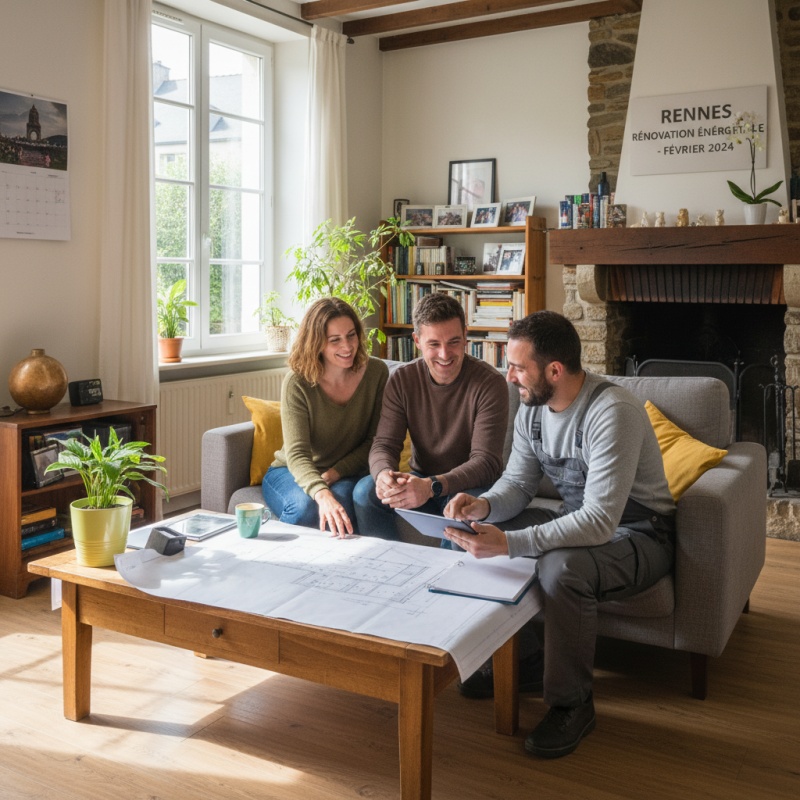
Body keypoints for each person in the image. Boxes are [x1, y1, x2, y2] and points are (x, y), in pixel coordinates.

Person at [443, 310, 676, 759]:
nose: (509, 377)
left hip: (640, 534)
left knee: (561, 567)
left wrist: (507, 543)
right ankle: (525, 660)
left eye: (517, 367)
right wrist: (484, 506)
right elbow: (517, 485)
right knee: (461, 531)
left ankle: (574, 704)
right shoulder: (533, 411)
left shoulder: (613, 412)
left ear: (554, 370)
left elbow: (599, 522)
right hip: (580, 521)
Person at [353, 292, 508, 540]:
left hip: (471, 486)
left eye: (454, 342)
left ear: (466, 336)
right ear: (417, 340)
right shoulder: (402, 380)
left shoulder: (490, 384)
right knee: (365, 493)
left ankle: (451, 578)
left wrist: (431, 486)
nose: (445, 354)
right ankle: (389, 568)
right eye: (434, 344)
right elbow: (384, 444)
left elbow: (486, 463)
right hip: (421, 480)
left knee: (463, 512)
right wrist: (383, 475)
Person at [262, 297, 388, 537]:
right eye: (335, 340)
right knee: (305, 508)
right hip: (290, 471)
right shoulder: (297, 381)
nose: (348, 346)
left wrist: (336, 472)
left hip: (344, 471)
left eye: (351, 335)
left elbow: (375, 441)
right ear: (317, 343)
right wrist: (320, 491)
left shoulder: (376, 373)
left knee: (341, 508)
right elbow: (297, 454)